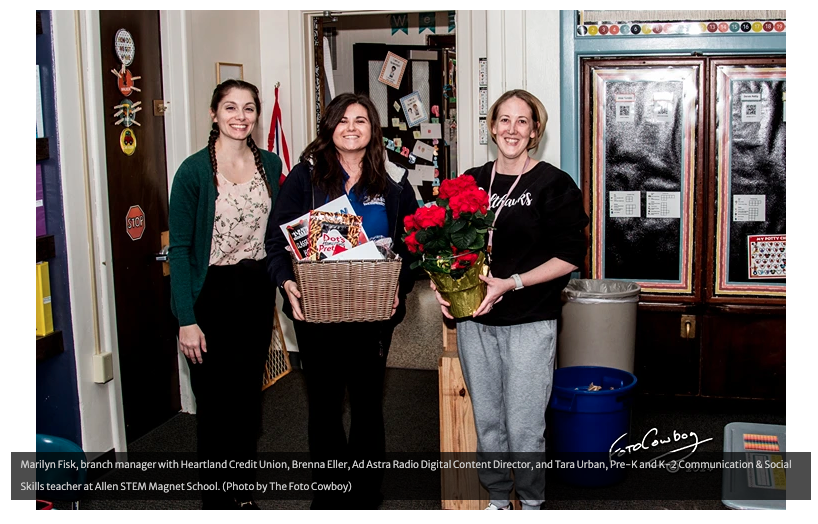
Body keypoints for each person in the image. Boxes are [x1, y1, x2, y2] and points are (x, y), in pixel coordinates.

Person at [432, 89, 589, 510]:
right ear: (492, 126)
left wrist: (512, 282)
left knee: (523, 427)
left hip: (530, 321)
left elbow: (571, 256)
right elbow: (443, 247)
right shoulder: (470, 180)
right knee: (488, 421)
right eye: (505, 119)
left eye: (523, 121)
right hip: (475, 320)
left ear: (535, 131)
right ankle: (498, 501)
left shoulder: (553, 184)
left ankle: (533, 504)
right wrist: (440, 285)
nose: (512, 129)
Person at [266, 93, 418, 509]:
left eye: (362, 120)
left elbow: (414, 245)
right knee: (325, 405)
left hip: (373, 314)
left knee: (368, 405)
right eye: (343, 120)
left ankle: (367, 494)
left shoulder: (392, 185)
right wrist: (285, 283)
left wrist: (397, 286)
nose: (352, 127)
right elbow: (275, 241)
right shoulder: (304, 178)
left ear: (373, 130)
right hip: (317, 311)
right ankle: (330, 494)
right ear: (329, 127)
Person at [168, 80, 282, 510]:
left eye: (249, 108)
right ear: (213, 114)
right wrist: (185, 319)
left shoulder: (270, 165)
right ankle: (217, 503)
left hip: (255, 292)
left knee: (247, 400)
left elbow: (280, 231)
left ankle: (243, 494)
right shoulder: (193, 172)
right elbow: (179, 250)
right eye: (230, 107)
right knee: (215, 406)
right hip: (208, 297)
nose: (240, 116)